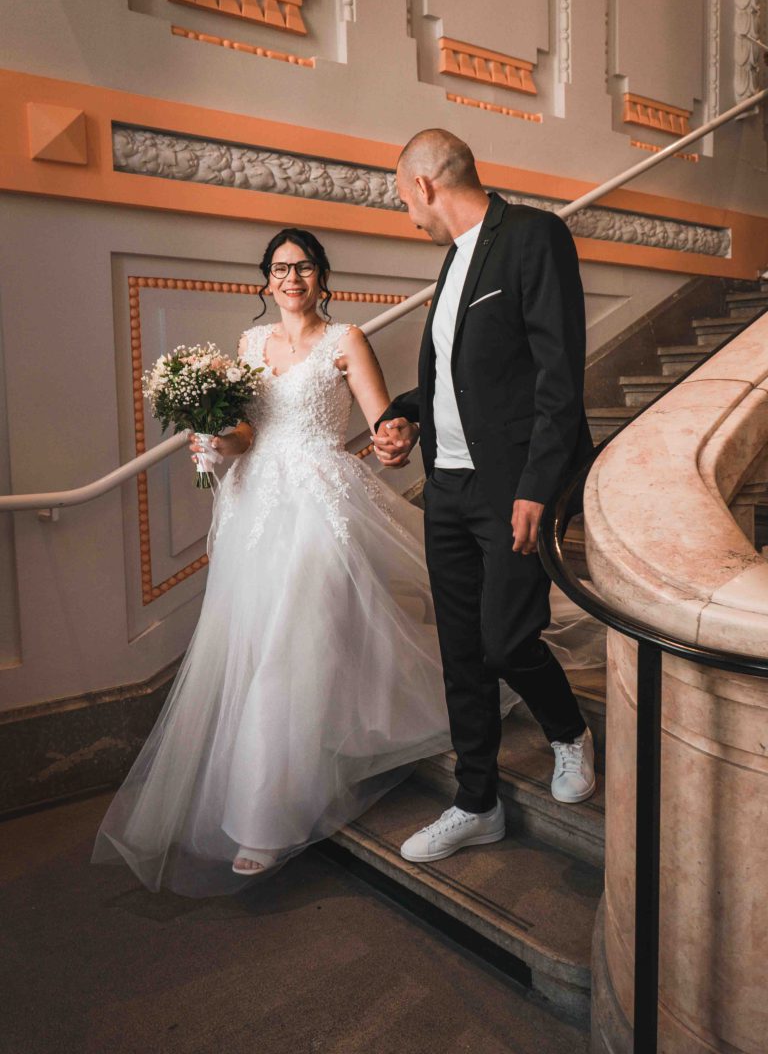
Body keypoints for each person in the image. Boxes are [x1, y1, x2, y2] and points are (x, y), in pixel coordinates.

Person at [92, 225, 602, 896]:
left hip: (320, 503)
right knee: (260, 645)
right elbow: (246, 433)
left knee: (285, 650)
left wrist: (394, 439)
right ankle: (301, 768)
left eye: (303, 266)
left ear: (321, 276)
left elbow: (384, 420)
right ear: (266, 280)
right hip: (255, 508)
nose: (292, 277)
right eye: (280, 268)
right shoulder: (249, 346)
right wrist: (214, 443)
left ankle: (264, 822)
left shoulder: (346, 340)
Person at [372, 129, 596, 865]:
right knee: (463, 653)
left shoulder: (534, 237)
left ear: (425, 183)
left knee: (506, 640)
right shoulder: (452, 260)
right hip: (450, 491)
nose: (408, 215)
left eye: (404, 198)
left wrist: (539, 485)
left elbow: (560, 377)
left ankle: (568, 731)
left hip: (511, 489)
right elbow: (457, 375)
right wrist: (403, 411)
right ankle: (477, 803)